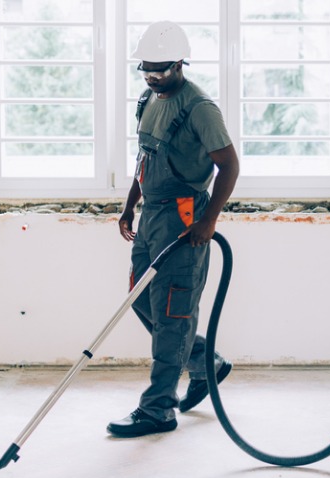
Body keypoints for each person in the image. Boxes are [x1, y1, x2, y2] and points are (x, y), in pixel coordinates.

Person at [107, 20, 240, 438]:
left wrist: (209, 219)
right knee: (142, 298)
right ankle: (205, 362)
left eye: (161, 69)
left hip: (184, 218)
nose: (152, 76)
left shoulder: (199, 108)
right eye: (146, 68)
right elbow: (145, 158)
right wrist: (130, 205)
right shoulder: (148, 97)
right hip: (151, 216)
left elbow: (230, 165)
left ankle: (159, 409)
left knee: (173, 312)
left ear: (180, 64)